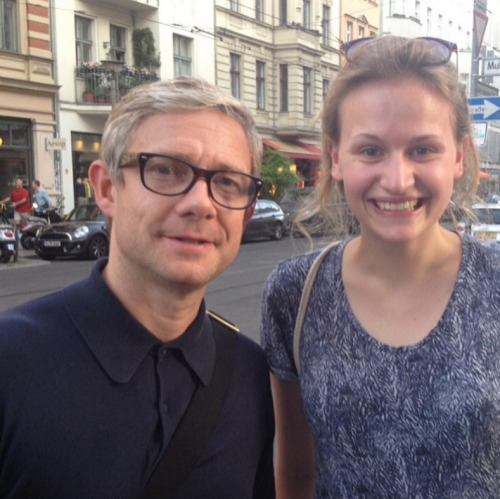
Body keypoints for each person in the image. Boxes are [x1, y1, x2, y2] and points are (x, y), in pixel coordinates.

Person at [0, 77, 275, 498]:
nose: (201, 203)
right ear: (107, 188)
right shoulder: (11, 360)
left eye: (227, 182)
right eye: (166, 169)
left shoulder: (252, 377)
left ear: (247, 212)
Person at [261, 36, 500, 498]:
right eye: (370, 151)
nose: (396, 180)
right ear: (336, 158)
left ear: (458, 156)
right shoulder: (295, 293)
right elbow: (294, 472)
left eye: (423, 150)